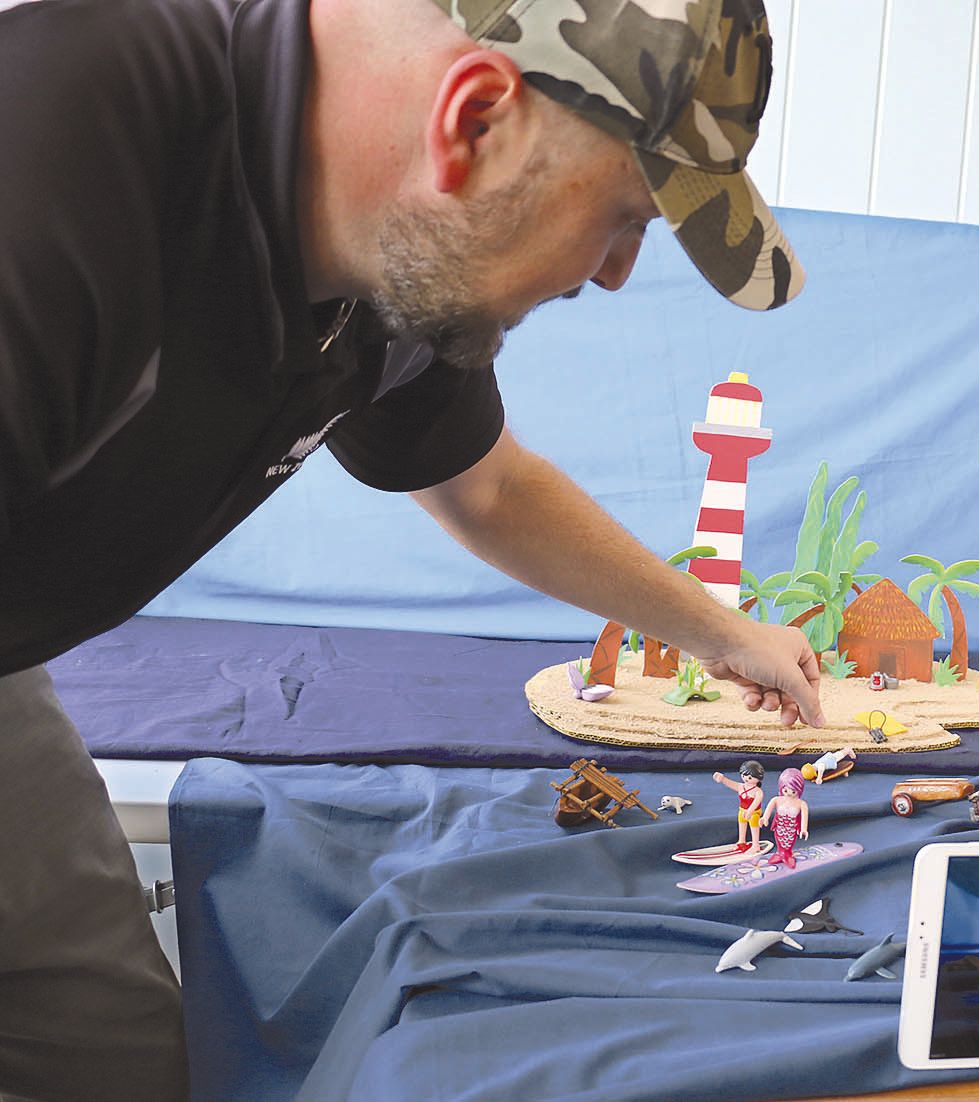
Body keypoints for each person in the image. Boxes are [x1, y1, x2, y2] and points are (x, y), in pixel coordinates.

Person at [0, 0, 820, 1095]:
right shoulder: (58, 148)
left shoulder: (392, 262)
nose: (618, 271)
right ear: (472, 121)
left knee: (109, 1050)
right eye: (624, 215)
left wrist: (724, 632)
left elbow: (485, 485)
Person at [712, 761, 767, 852]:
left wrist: (750, 811)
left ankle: (756, 844)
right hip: (742, 811)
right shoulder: (741, 786)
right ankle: (741, 841)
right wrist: (722, 779)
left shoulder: (758, 792)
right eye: (744, 775)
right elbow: (730, 783)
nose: (746, 779)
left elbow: (756, 803)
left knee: (754, 827)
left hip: (753, 813)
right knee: (742, 825)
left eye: (749, 777)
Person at [762, 768, 810, 869]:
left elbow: (804, 817)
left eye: (793, 791)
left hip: (791, 829)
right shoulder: (777, 799)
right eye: (785, 790)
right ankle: (780, 854)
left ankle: (788, 855)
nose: (788, 793)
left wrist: (804, 829)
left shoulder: (801, 803)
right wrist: (764, 818)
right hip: (779, 828)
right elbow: (768, 810)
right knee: (779, 841)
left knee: (789, 843)